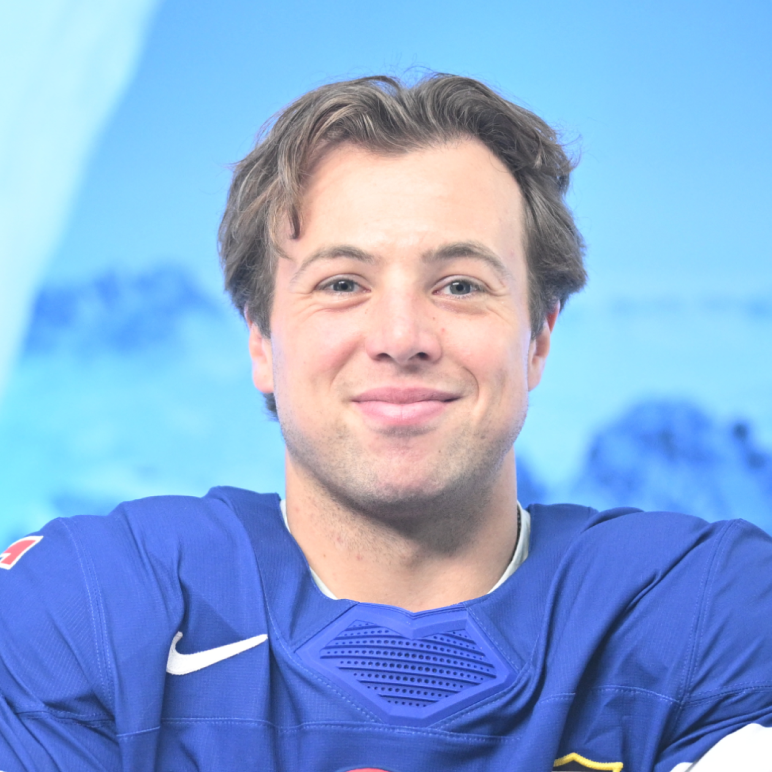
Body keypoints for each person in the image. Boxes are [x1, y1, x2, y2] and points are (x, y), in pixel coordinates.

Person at [1, 73, 771, 772]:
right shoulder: (89, 607)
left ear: (537, 338)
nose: (402, 336)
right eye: (342, 283)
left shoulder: (704, 612)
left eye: (461, 284)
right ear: (261, 342)